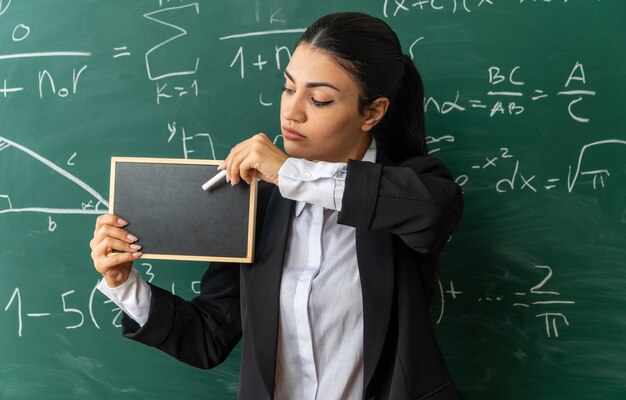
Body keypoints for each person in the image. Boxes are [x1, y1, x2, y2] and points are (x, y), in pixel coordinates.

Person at [90, 11, 465, 400]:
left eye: (319, 99)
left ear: (371, 112)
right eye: (288, 89)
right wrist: (124, 284)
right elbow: (208, 336)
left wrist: (292, 173)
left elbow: (435, 212)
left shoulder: (415, 188)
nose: (291, 111)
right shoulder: (255, 201)